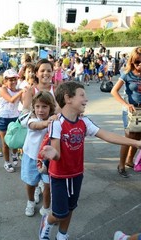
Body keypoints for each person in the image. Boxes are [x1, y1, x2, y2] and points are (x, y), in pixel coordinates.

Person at [38, 81, 141, 240]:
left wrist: (136, 143)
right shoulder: (57, 123)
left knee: (71, 208)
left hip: (77, 174)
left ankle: (62, 235)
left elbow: (106, 135)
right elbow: (57, 155)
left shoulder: (84, 121)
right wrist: (53, 154)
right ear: (68, 98)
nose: (86, 99)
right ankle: (47, 222)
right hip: (59, 177)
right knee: (59, 213)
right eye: (82, 95)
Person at [21, 91, 56, 217]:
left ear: (51, 107)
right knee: (31, 183)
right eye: (37, 106)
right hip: (31, 157)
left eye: (44, 107)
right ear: (33, 107)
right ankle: (30, 201)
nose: (40, 110)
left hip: (48, 161)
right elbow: (36, 126)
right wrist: (47, 122)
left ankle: (46, 208)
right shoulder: (31, 119)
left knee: (48, 186)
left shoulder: (54, 119)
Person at [111, 47, 141, 178]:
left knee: (138, 137)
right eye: (137, 62)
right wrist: (126, 104)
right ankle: (121, 164)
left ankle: (130, 160)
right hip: (130, 110)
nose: (139, 65)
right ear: (132, 61)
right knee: (129, 137)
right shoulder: (127, 73)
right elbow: (114, 91)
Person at [0, 69, 25, 172]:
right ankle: (7, 162)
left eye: (15, 79)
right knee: (6, 142)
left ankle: (14, 154)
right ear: (5, 80)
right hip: (2, 118)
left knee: (15, 140)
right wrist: (22, 91)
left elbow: (24, 103)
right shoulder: (2, 89)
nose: (13, 82)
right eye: (10, 79)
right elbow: (11, 100)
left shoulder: (18, 90)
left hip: (14, 117)